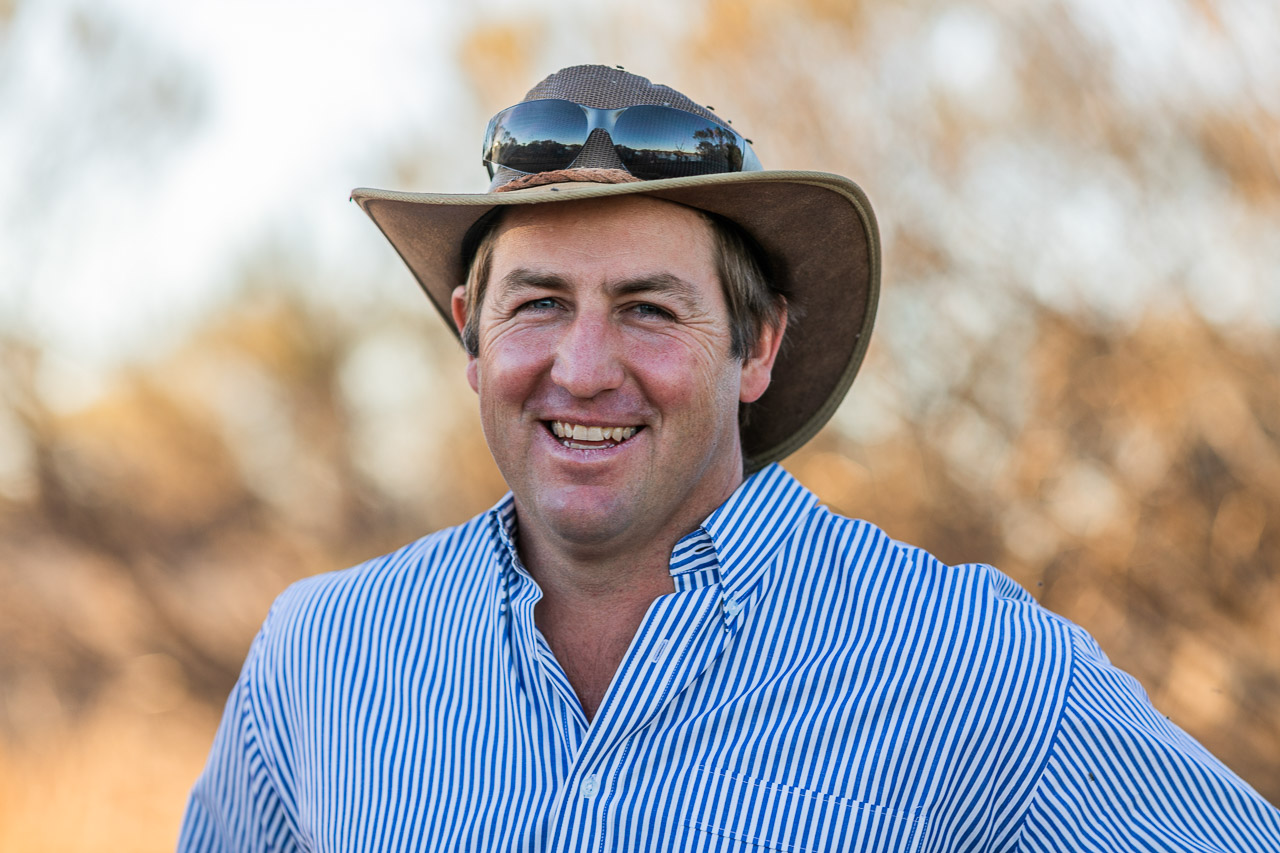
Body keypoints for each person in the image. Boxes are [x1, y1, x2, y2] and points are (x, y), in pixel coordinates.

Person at [179, 65, 1280, 852]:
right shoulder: (322, 661)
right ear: (471, 332)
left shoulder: (971, 665)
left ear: (754, 345)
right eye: (538, 305)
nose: (583, 365)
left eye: (648, 308)